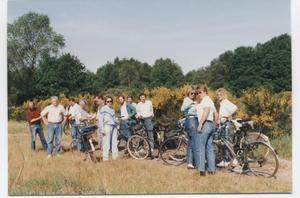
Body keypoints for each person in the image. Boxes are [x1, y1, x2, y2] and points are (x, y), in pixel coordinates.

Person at [195, 85, 216, 176]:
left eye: (200, 92)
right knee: (209, 148)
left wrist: (200, 124)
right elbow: (216, 113)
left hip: (205, 124)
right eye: (198, 92)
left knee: (201, 147)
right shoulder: (210, 100)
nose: (199, 94)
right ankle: (211, 170)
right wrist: (215, 124)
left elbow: (206, 111)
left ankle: (202, 170)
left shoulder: (206, 100)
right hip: (210, 124)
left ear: (205, 92)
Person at [215, 88, 238, 168]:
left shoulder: (225, 102)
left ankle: (233, 159)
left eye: (220, 95)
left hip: (226, 123)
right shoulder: (221, 103)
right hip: (222, 123)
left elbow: (235, 107)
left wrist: (227, 116)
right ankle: (226, 160)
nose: (219, 96)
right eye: (217, 95)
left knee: (227, 142)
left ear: (224, 95)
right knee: (223, 142)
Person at [180, 85, 198, 169]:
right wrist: (191, 104)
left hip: (195, 120)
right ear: (188, 93)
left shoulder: (195, 100)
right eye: (191, 93)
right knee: (194, 141)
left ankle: (190, 162)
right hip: (191, 120)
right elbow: (182, 109)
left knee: (191, 142)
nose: (193, 95)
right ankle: (196, 162)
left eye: (194, 93)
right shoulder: (187, 100)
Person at [98, 96, 118, 161]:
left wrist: (117, 121)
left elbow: (114, 118)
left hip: (114, 126)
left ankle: (115, 157)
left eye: (110, 101)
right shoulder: (103, 108)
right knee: (106, 143)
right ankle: (105, 158)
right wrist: (102, 129)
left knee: (114, 142)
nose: (109, 102)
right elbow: (100, 119)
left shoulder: (112, 109)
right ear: (105, 102)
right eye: (108, 101)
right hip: (107, 126)